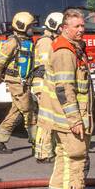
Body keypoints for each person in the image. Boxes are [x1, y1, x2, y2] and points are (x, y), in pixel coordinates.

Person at [43, 9, 95, 189]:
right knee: (76, 159)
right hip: (70, 119)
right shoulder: (65, 52)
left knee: (63, 158)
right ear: (65, 28)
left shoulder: (71, 47)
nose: (82, 30)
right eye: (77, 26)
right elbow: (65, 89)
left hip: (61, 118)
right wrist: (75, 120)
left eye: (83, 26)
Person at [0, 11, 37, 154]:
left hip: (21, 82)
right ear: (22, 26)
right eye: (30, 27)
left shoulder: (26, 42)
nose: (32, 30)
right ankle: (38, 143)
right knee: (29, 110)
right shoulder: (12, 42)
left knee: (16, 111)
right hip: (16, 83)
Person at [31, 11, 63, 163]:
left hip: (48, 84)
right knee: (46, 121)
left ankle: (49, 150)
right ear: (54, 26)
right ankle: (42, 153)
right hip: (43, 85)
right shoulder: (45, 42)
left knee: (51, 119)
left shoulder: (52, 40)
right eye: (61, 27)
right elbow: (44, 67)